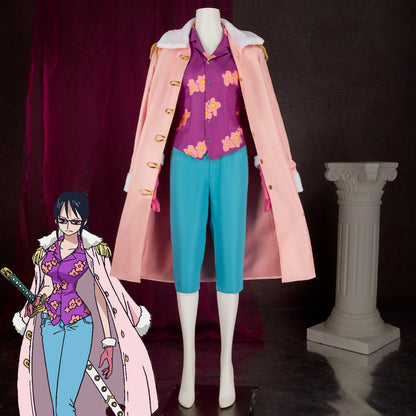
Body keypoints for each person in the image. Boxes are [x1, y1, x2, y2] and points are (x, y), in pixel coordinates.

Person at [112, 7, 315, 409]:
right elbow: (149, 112)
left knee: (230, 256)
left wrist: (283, 167)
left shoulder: (248, 51)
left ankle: (227, 366)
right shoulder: (168, 50)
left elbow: (269, 113)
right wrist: (141, 168)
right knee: (186, 257)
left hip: (232, 159)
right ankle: (188, 366)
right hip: (185, 160)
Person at [12, 191, 158, 416]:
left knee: (65, 399)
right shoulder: (49, 251)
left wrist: (108, 342)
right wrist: (38, 300)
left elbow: (102, 297)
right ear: (56, 219)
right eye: (63, 220)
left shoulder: (91, 252)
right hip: (50, 325)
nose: (68, 226)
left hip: (78, 325)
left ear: (84, 221)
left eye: (74, 221)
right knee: (55, 397)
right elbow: (48, 285)